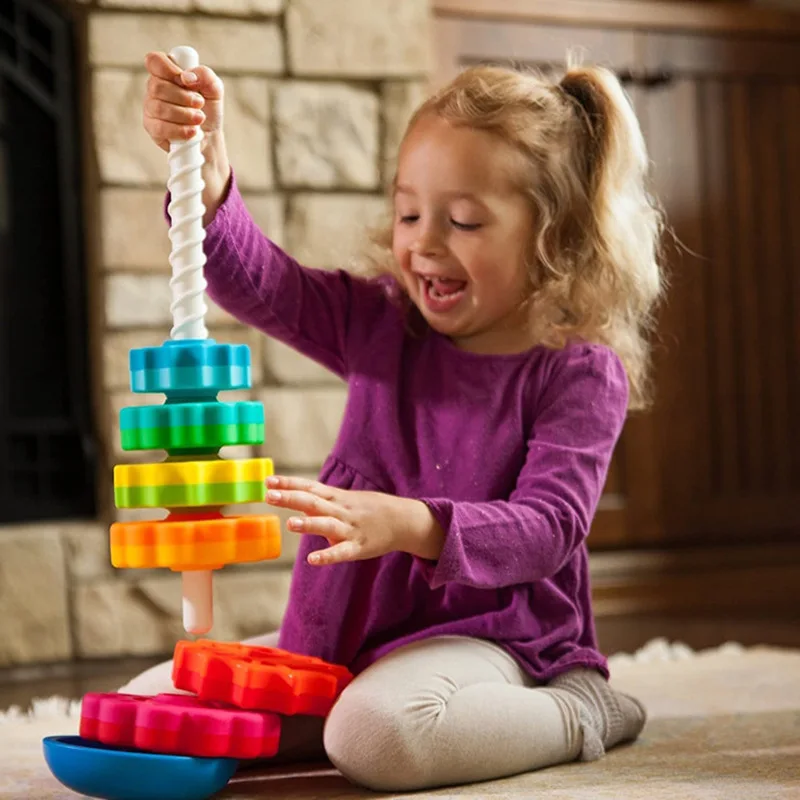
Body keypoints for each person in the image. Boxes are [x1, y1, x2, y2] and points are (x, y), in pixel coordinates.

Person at [124, 49, 665, 792]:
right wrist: (208, 172)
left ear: (555, 237)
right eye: (409, 212)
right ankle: (346, 709)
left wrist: (412, 523)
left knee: (377, 737)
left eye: (464, 220)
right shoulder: (382, 322)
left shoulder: (575, 370)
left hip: (495, 638)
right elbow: (265, 285)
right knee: (145, 710)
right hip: (348, 641)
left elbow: (548, 528)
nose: (423, 243)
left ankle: (581, 711)